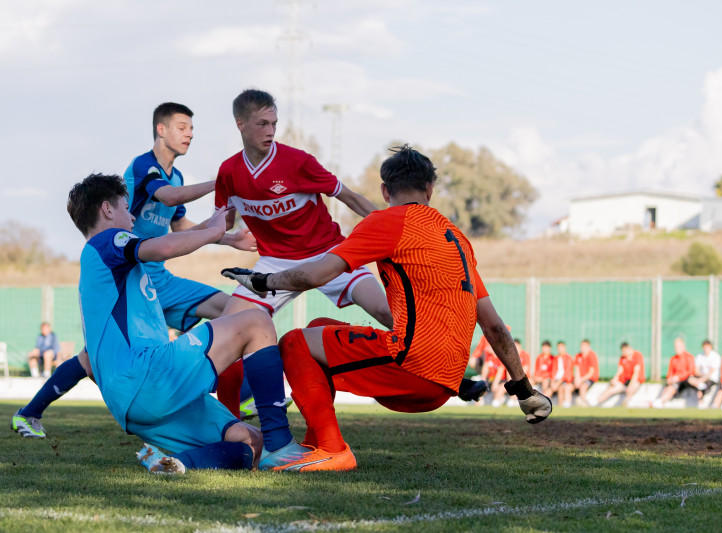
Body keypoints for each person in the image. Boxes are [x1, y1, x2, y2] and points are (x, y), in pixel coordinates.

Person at [223, 145, 552, 471]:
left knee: (294, 342)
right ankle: (316, 443)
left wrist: (263, 281)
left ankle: (332, 449)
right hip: (448, 379)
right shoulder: (457, 238)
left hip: (413, 368)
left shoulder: (387, 222)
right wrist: (524, 389)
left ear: (384, 190)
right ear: (430, 189)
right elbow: (494, 326)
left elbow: (316, 274)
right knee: (318, 326)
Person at [213, 90, 486, 416]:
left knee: (388, 313)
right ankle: (226, 419)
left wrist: (396, 228)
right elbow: (219, 225)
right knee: (226, 331)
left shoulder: (297, 162)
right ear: (240, 124)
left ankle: (453, 379)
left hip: (329, 254)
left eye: (274, 123)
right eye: (262, 124)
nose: (271, 131)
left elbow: (352, 198)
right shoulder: (229, 172)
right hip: (275, 262)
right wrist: (214, 239)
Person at [11, 103, 256, 439]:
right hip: (129, 268)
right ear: (161, 129)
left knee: (234, 309)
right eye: (182, 126)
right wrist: (223, 182)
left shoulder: (177, 176)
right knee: (93, 357)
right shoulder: (144, 166)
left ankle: (238, 397)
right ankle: (29, 413)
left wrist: (227, 238)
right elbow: (168, 198)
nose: (190, 133)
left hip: (156, 274)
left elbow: (180, 227)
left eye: (191, 128)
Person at [61, 173, 307, 474]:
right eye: (126, 208)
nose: (132, 217)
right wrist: (214, 231)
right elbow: (163, 248)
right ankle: (281, 445)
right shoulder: (107, 240)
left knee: (251, 441)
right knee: (257, 321)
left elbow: (164, 244)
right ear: (107, 209)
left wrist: (216, 230)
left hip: (131, 404)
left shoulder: (101, 273)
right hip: (147, 376)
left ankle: (176, 463)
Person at [595, 342, 645, 407]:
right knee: (611, 388)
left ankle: (625, 403)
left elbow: (636, 372)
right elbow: (620, 370)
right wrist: (614, 379)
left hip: (635, 380)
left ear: (628, 348)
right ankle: (596, 402)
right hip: (625, 381)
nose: (623, 353)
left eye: (624, 351)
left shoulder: (637, 355)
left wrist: (630, 385)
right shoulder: (623, 358)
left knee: (631, 388)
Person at [651, 338, 695, 408]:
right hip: (675, 381)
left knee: (674, 386)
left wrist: (678, 377)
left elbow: (690, 372)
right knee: (668, 385)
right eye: (676, 347)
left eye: (678, 346)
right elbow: (670, 373)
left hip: (685, 381)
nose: (677, 348)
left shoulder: (689, 357)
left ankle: (660, 401)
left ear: (683, 346)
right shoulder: (673, 359)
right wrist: (670, 379)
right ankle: (659, 401)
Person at [572, 339, 599, 407]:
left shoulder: (592, 355)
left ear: (588, 347)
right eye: (582, 346)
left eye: (584, 346)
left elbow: (591, 373)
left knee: (583, 386)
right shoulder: (578, 355)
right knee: (568, 387)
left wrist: (580, 380)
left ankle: (584, 404)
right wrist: (577, 379)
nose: (582, 348)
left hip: (590, 378)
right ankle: (566, 404)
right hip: (580, 379)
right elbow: (577, 370)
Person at [548, 341, 573, 406]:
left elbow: (567, 373)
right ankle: (541, 404)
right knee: (549, 390)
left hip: (565, 380)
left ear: (564, 348)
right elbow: (553, 371)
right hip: (557, 380)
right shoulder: (556, 358)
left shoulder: (568, 358)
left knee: (561, 388)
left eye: (561, 348)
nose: (560, 349)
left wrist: (558, 383)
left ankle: (564, 405)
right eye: (558, 348)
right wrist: (552, 382)